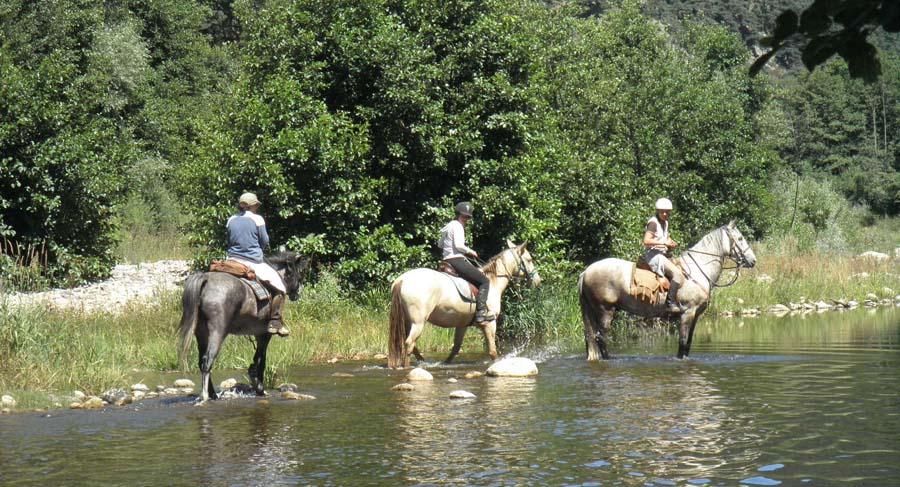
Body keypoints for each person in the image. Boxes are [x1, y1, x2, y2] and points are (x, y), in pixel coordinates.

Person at [226, 192, 289, 336]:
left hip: (231, 260)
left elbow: (229, 240)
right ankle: (275, 321)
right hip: (252, 261)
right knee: (280, 286)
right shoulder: (258, 219)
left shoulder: (231, 219)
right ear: (253, 206)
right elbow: (264, 240)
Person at [440, 201, 496, 324]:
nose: (466, 219)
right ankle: (481, 313)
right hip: (456, 260)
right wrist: (471, 251)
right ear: (458, 215)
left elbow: (440, 244)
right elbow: (459, 245)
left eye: (467, 217)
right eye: (464, 216)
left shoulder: (448, 226)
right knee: (484, 281)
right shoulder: (458, 226)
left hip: (445, 260)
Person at [642, 197, 685, 313]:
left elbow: (666, 237)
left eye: (667, 212)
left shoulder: (665, 222)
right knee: (677, 274)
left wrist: (671, 242)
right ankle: (669, 303)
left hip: (662, 254)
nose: (665, 214)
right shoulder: (653, 223)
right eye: (662, 211)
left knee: (683, 267)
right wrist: (663, 242)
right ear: (658, 211)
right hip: (654, 256)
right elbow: (646, 241)